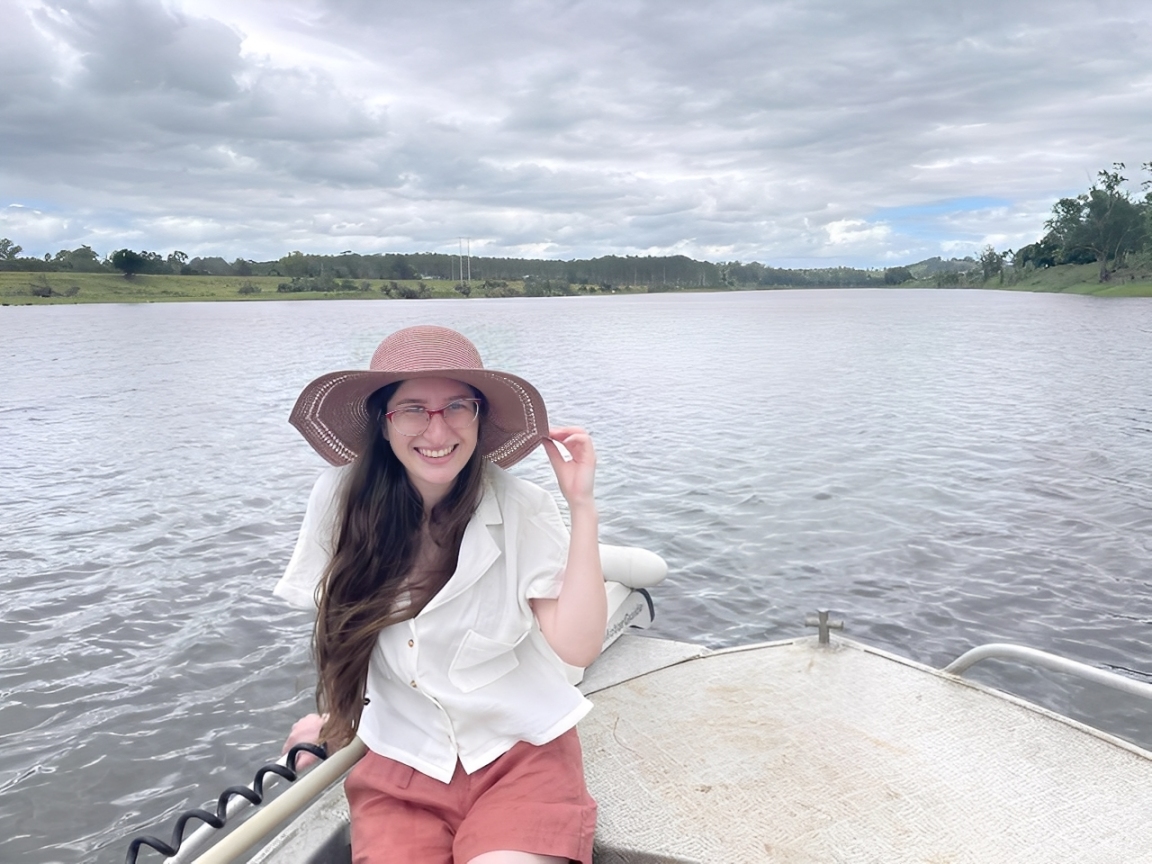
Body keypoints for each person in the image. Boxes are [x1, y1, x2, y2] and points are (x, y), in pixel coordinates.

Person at [274, 325, 606, 864]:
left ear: (479, 417)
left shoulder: (521, 505)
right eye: (412, 409)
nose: (437, 429)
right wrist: (332, 722)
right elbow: (339, 630)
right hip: (402, 764)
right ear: (383, 424)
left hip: (517, 753)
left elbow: (578, 646)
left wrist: (582, 505)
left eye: (456, 406)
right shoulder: (339, 499)